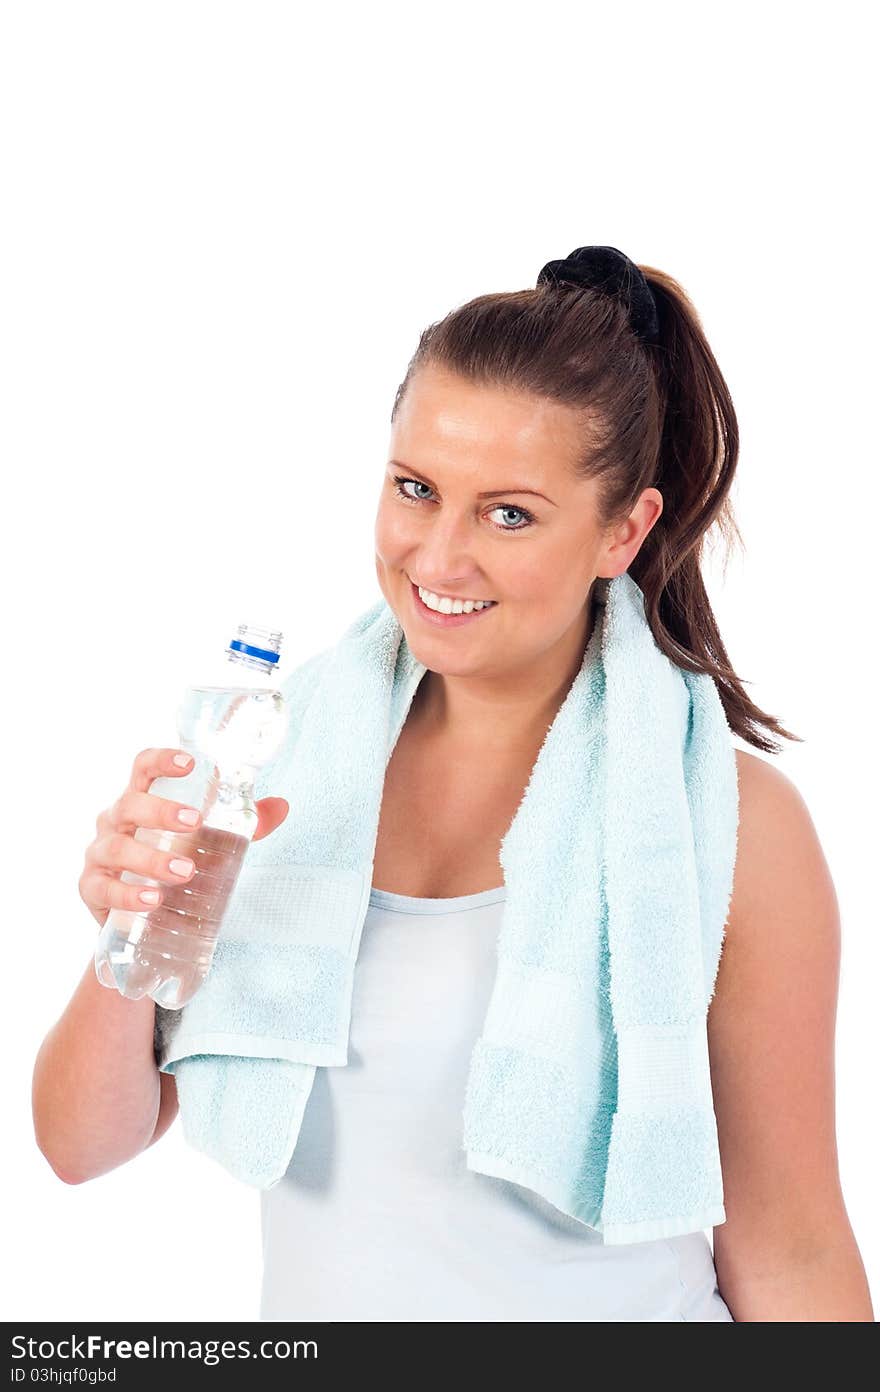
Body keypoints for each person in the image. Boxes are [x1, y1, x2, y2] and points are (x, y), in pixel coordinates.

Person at [33, 247, 874, 1322]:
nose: (438, 556)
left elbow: (793, 1248)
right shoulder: (270, 776)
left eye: (508, 514)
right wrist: (131, 932)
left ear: (623, 531)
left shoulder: (729, 824)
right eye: (415, 489)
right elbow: (78, 1146)